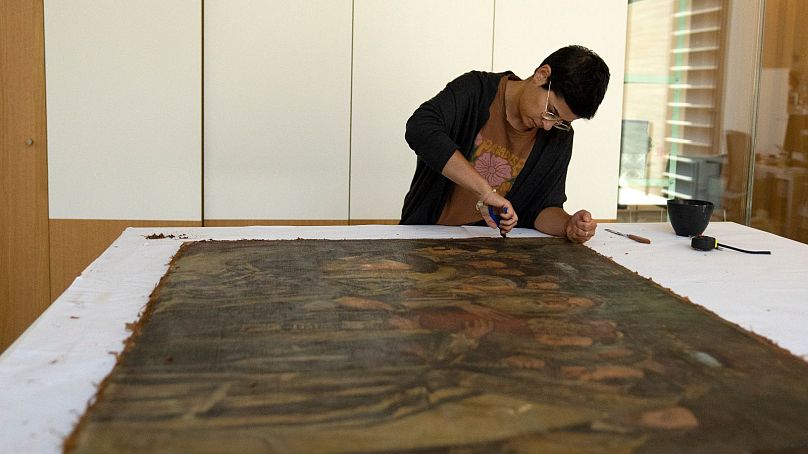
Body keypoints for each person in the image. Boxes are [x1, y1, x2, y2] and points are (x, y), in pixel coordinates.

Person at [400, 45, 610, 242]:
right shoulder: (476, 90)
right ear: (542, 75)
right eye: (551, 112)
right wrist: (485, 191)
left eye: (561, 122)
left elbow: (541, 208)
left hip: (490, 250)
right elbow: (420, 128)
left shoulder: (558, 135)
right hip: (426, 234)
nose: (548, 126)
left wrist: (568, 225)